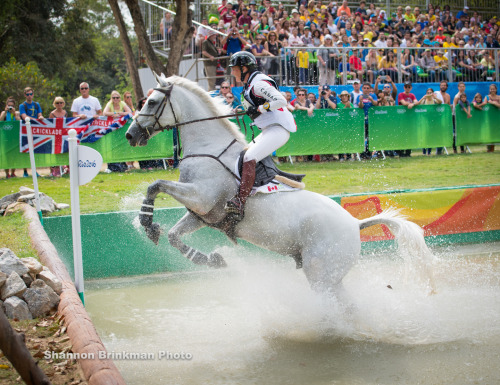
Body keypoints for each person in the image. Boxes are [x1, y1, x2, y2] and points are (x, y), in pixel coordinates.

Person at [224, 51, 296, 220]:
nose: (232, 72)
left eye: (234, 69)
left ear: (244, 68)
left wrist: (259, 109)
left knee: (249, 156)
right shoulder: (249, 84)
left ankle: (240, 203)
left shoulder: (258, 84)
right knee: (243, 154)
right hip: (269, 129)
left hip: (279, 129)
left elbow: (281, 100)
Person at [19, 87, 44, 177]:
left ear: (33, 94)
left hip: (36, 130)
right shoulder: (22, 106)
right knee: (26, 150)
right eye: (27, 94)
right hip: (25, 130)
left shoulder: (36, 105)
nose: (29, 96)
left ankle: (35, 170)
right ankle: (25, 171)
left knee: (35, 150)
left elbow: (40, 114)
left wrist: (40, 118)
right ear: (25, 95)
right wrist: (36, 119)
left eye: (31, 94)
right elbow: (24, 116)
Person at [417, 88, 442, 155]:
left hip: (432, 120)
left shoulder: (434, 100)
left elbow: (440, 102)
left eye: (430, 92)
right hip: (425, 120)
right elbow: (418, 104)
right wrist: (423, 98)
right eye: (428, 93)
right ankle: (424, 152)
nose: (429, 94)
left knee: (430, 135)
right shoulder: (424, 101)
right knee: (425, 135)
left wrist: (435, 97)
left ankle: (429, 152)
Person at [356, 83, 378, 158]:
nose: (366, 89)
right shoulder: (359, 96)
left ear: (369, 89)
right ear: (362, 89)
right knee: (362, 137)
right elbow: (360, 106)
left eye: (367, 88)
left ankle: (369, 153)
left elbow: (376, 104)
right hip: (362, 120)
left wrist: (371, 99)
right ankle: (362, 153)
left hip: (371, 120)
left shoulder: (373, 96)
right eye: (364, 88)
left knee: (370, 137)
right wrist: (361, 101)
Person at [1, 97, 20, 178]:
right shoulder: (3, 113)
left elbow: (19, 121)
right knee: (6, 155)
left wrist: (14, 114)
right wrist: (5, 112)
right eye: (9, 106)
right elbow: (0, 120)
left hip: (14, 137)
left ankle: (13, 172)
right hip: (5, 137)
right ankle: (7, 173)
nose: (10, 107)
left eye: (11, 106)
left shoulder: (16, 113)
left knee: (14, 156)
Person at [397, 81, 417, 157]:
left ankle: (408, 152)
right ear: (404, 87)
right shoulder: (401, 94)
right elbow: (404, 103)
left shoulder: (412, 95)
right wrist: (412, 104)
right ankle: (401, 152)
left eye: (409, 87)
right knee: (402, 135)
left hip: (410, 118)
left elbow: (416, 102)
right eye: (406, 87)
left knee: (409, 135)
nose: (407, 88)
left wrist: (413, 104)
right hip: (402, 118)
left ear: (411, 88)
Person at [484, 84, 500, 152]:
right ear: (489, 90)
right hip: (489, 118)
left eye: (493, 89)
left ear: (496, 89)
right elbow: (483, 105)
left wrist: (493, 103)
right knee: (490, 132)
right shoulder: (487, 97)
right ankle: (490, 148)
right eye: (491, 89)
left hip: (497, 118)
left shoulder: (499, 97)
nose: (492, 90)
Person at [452, 82, 467, 154]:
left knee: (461, 132)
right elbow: (455, 107)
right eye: (460, 86)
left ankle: (462, 148)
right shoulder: (457, 96)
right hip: (456, 116)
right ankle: (454, 148)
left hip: (461, 116)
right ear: (458, 87)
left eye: (463, 86)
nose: (462, 88)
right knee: (456, 133)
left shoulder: (463, 95)